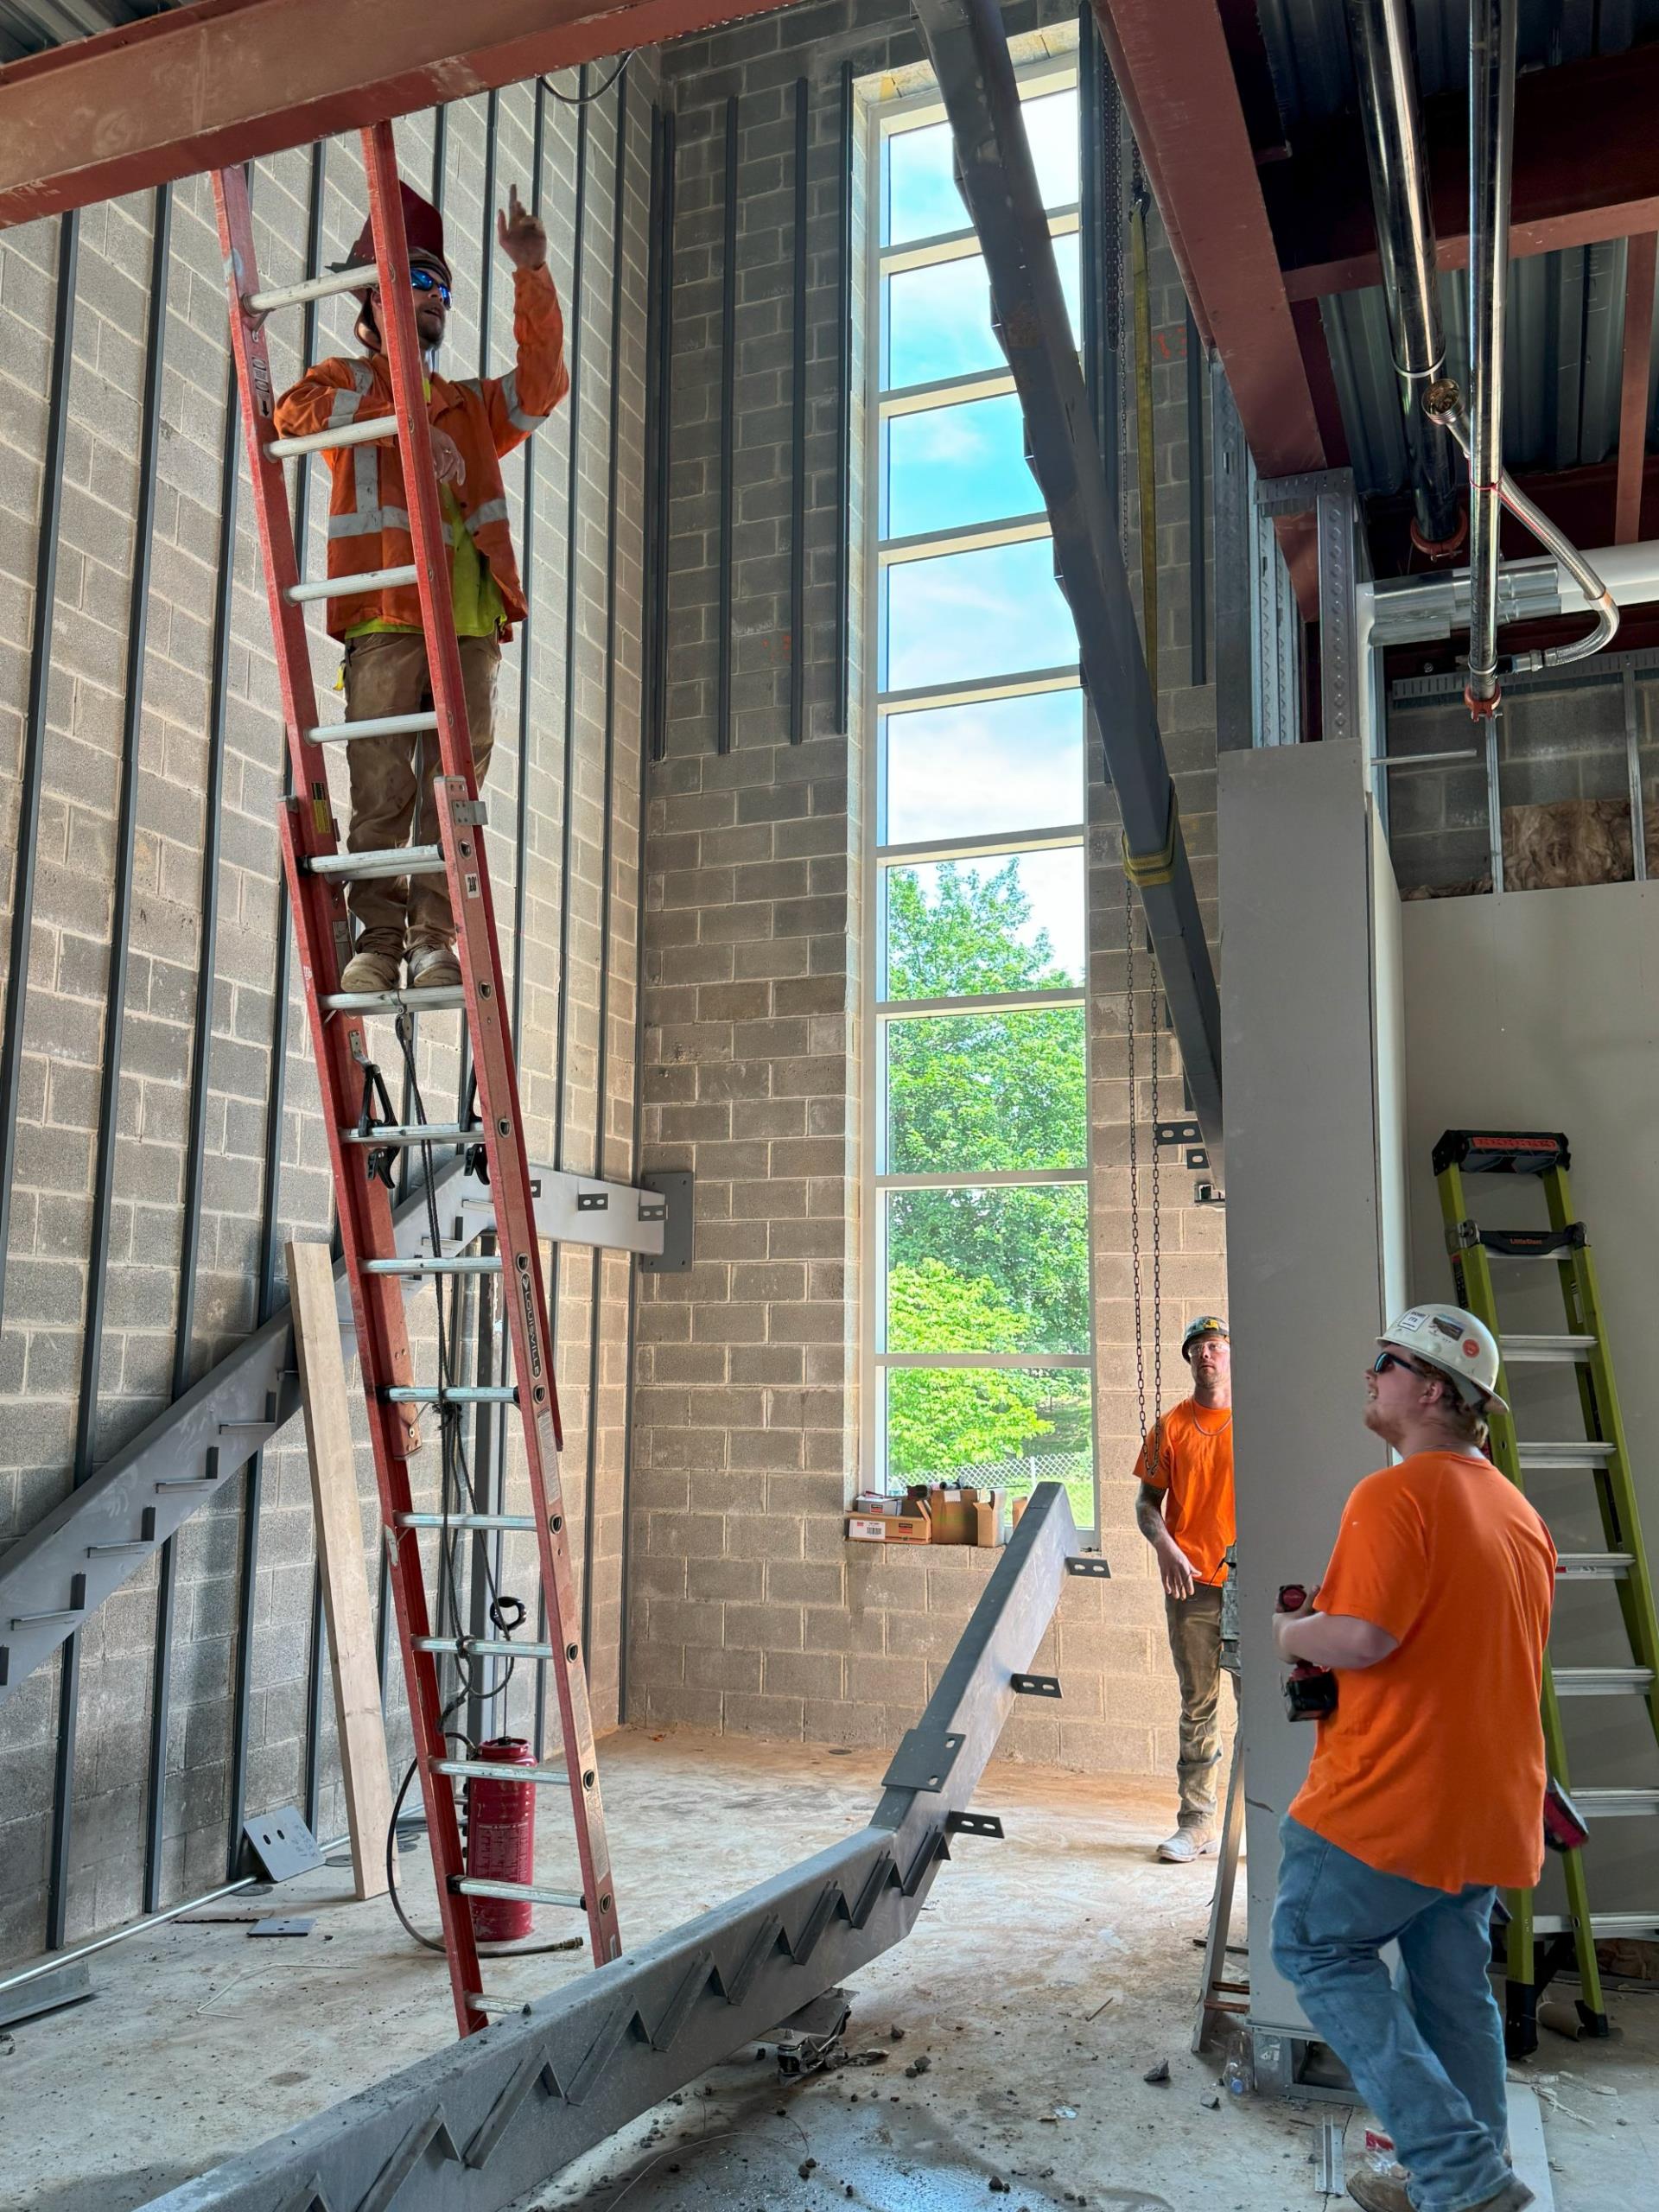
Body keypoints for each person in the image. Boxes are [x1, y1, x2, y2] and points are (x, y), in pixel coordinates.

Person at [1270, 1304, 1553, 2212]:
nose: (1371, 1374)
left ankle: (1458, 2170)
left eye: (1385, 1362)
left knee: (1312, 1946)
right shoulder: (1515, 1510)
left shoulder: (1395, 1493)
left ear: (1431, 1389)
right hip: (1488, 1807)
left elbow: (1360, 1637)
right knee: (1448, 1987)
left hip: (1391, 1799)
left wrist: (1290, 1630)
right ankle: (1476, 2173)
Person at [273, 178, 569, 994]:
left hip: (470, 626)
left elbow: (543, 386)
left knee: (454, 793)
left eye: (441, 287)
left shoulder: (470, 407)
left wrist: (532, 271)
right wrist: (406, 424)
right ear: (370, 299)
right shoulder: (336, 381)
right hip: (384, 617)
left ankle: (435, 940)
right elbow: (292, 416)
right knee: (379, 786)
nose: (433, 299)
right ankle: (378, 941)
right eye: (416, 282)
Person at [1134, 1313, 1236, 1862]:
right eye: (1198, 1347)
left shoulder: (1258, 1421)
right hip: (1191, 1583)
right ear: (1189, 1358)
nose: (1207, 1355)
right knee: (1198, 1706)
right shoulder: (1170, 1426)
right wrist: (1166, 1548)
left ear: (1230, 1355)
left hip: (1250, 1582)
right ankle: (1196, 1824)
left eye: (1216, 1346)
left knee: (1263, 1707)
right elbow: (1147, 1505)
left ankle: (1259, 1824)